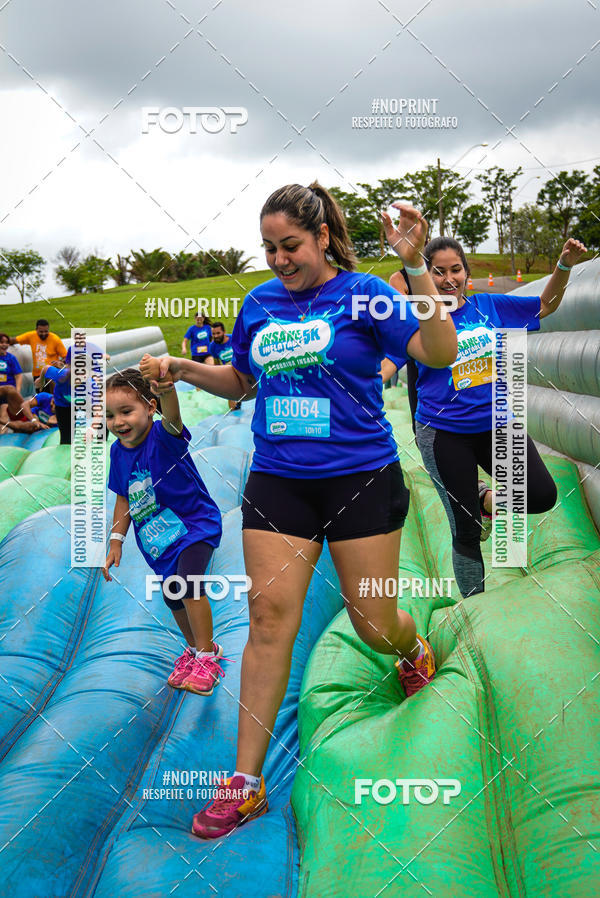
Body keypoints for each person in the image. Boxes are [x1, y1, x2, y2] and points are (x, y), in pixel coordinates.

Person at [141, 181, 457, 838]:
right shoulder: (258, 304)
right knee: (266, 621)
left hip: (360, 479)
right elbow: (243, 383)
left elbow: (438, 353)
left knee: (373, 624)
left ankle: (411, 646)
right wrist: (184, 369)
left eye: (291, 245)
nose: (280, 259)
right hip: (279, 481)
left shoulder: (366, 291)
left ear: (321, 238)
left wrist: (417, 264)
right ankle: (246, 784)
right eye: (269, 248)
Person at [402, 233, 587, 599]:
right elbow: (401, 373)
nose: (448, 279)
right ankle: (476, 608)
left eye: (456, 269)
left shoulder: (489, 307)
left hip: (498, 424)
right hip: (443, 432)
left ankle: (484, 498)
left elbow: (545, 306)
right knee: (465, 530)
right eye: (438, 272)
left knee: (540, 495)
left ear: (467, 275)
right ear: (426, 278)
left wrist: (564, 263)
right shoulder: (415, 318)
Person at [103, 367, 224, 695]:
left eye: (127, 411)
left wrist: (166, 387)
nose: (118, 422)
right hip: (159, 541)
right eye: (110, 415)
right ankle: (194, 652)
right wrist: (116, 540)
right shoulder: (117, 453)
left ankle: (207, 655)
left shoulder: (164, 436)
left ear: (150, 408)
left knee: (188, 585)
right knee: (173, 598)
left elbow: (173, 413)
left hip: (194, 526)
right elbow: (123, 498)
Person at [36, 362, 72, 445]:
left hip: (76, 402)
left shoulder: (89, 384)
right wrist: (41, 381)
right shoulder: (61, 375)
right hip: (62, 404)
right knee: (66, 437)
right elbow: (45, 368)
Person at [209, 322, 241, 410]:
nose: (215, 336)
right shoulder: (212, 347)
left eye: (218, 333)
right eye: (213, 334)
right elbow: (216, 364)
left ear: (224, 332)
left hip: (240, 367)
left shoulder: (234, 339)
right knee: (233, 405)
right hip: (229, 372)